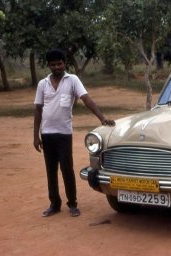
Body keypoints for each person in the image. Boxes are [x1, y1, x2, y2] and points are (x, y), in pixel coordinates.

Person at [33, 48, 115, 217]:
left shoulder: (73, 80)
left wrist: (101, 118)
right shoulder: (43, 84)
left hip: (64, 133)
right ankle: (54, 204)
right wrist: (36, 136)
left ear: (65, 64)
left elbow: (86, 99)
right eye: (53, 64)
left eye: (60, 63)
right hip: (47, 134)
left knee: (67, 169)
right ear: (48, 65)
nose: (57, 67)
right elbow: (38, 110)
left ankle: (72, 204)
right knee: (51, 170)